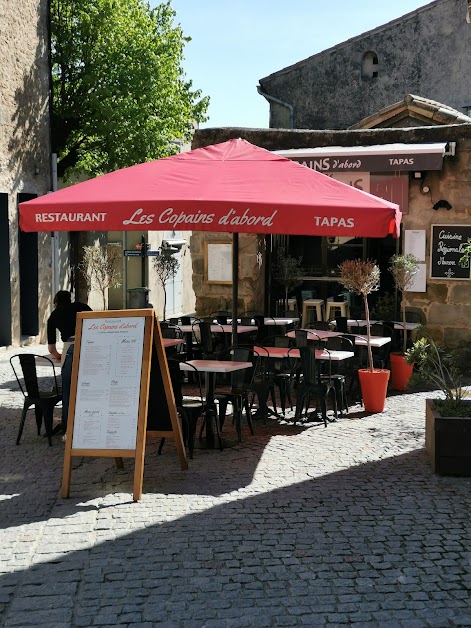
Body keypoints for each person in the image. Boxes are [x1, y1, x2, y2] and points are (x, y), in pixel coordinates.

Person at [47, 290, 92, 436]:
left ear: (56, 302)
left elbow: (52, 349)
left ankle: (68, 429)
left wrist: (60, 356)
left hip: (70, 347)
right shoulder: (82, 306)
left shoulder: (54, 316)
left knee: (68, 389)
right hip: (90, 345)